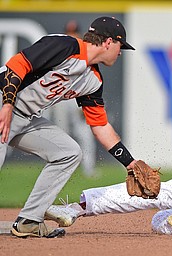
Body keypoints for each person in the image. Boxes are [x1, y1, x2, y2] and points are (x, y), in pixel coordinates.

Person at [0, 16, 142, 238]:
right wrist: (7, 104)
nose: (120, 51)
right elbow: (17, 64)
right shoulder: (66, 45)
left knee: (69, 153)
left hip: (25, 117)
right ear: (107, 42)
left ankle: (29, 220)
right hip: (3, 99)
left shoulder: (93, 80)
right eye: (119, 45)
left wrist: (130, 163)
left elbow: (100, 126)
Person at [44, 19, 98, 176]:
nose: (72, 34)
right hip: (59, 97)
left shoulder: (84, 50)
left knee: (85, 134)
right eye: (70, 32)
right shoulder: (61, 47)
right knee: (60, 133)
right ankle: (59, 167)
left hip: (77, 97)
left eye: (74, 31)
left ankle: (88, 169)